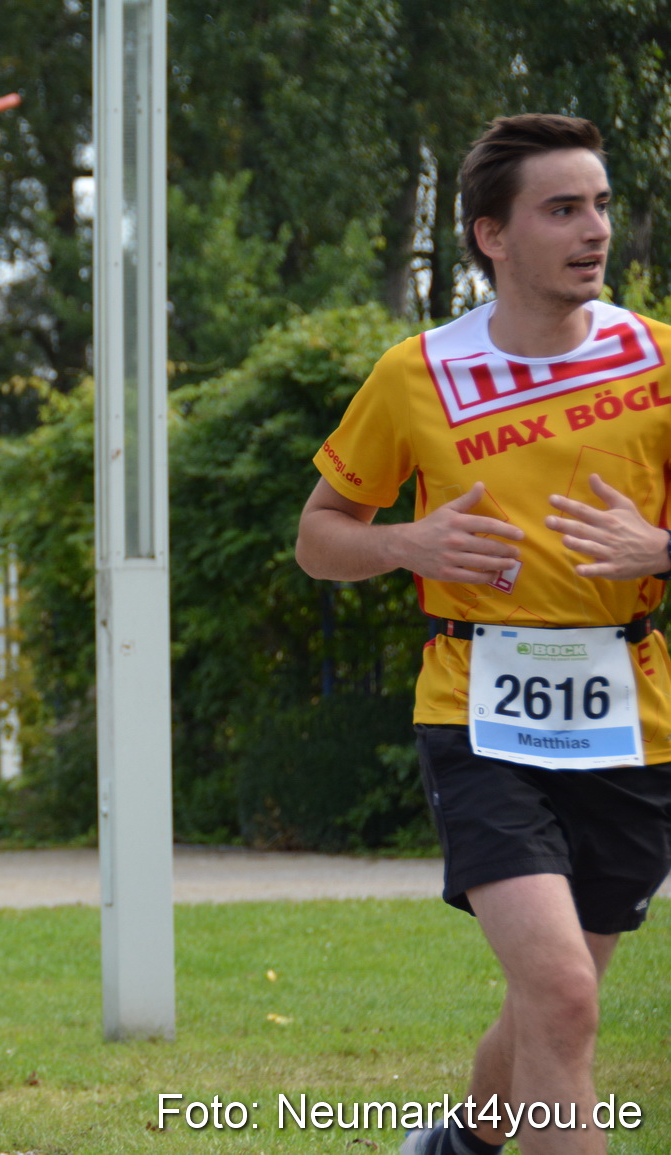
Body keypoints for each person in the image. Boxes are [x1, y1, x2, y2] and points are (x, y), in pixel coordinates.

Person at [296, 114, 671, 1155]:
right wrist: (408, 542)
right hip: (477, 710)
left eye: (599, 204)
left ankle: (464, 1143)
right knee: (558, 990)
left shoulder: (659, 362)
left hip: (629, 714)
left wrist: (661, 551)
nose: (593, 229)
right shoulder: (415, 374)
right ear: (489, 236)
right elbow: (319, 541)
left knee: (560, 1000)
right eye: (562, 208)